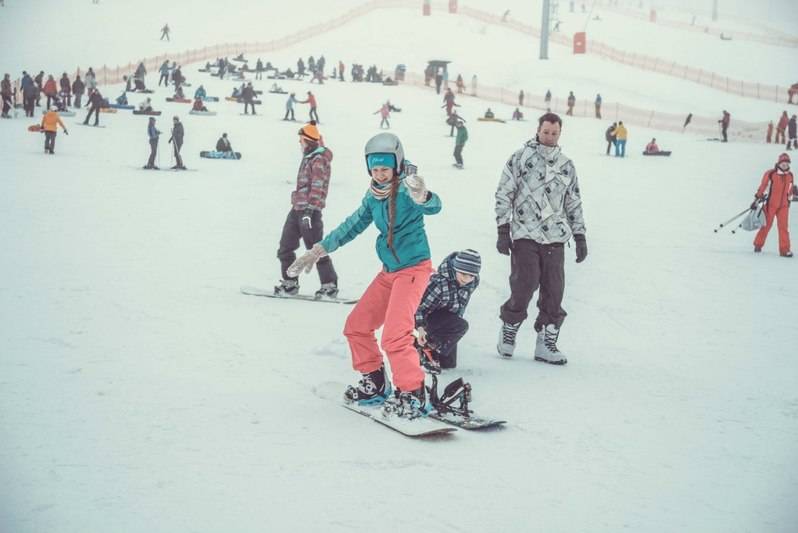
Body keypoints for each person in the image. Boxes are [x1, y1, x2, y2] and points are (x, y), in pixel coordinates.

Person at [287, 132, 442, 416]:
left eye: (385, 168)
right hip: (389, 271)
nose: (380, 174)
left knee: (394, 336)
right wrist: (318, 250)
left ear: (397, 165)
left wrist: (424, 195)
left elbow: (434, 206)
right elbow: (353, 225)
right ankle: (375, 381)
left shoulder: (408, 189)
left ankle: (412, 393)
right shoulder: (374, 196)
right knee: (356, 325)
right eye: (375, 169)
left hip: (413, 270)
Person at [495, 112, 587, 364]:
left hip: (555, 237)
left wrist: (579, 235)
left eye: (554, 133)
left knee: (554, 291)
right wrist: (503, 229)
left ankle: (546, 342)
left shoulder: (566, 165)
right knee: (525, 284)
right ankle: (509, 328)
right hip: (525, 232)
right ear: (538, 130)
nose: (549, 136)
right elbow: (504, 193)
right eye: (545, 131)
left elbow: (573, 202)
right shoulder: (520, 158)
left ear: (560, 134)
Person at [274, 121, 338, 298]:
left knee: (315, 250)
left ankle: (329, 285)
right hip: (297, 209)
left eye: (301, 140)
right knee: (285, 247)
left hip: (310, 212)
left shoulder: (318, 159)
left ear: (307, 141)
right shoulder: (310, 156)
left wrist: (310, 210)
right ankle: (289, 283)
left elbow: (317, 185)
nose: (299, 144)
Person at [415, 249, 481, 371]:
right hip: (427, 319)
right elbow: (418, 308)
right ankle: (424, 346)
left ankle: (430, 349)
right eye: (463, 274)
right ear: (455, 269)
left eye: (471, 276)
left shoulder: (473, 282)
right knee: (461, 326)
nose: (467, 279)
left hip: (448, 320)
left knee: (448, 364)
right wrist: (420, 328)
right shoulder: (439, 284)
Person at [752, 153, 794, 257]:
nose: (785, 165)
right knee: (766, 225)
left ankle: (785, 250)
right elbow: (763, 186)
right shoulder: (771, 174)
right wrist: (757, 198)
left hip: (784, 206)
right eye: (783, 163)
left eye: (787, 163)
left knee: (783, 227)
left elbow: (790, 189)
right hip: (771, 204)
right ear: (779, 163)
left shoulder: (790, 175)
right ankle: (758, 244)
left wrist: (790, 199)